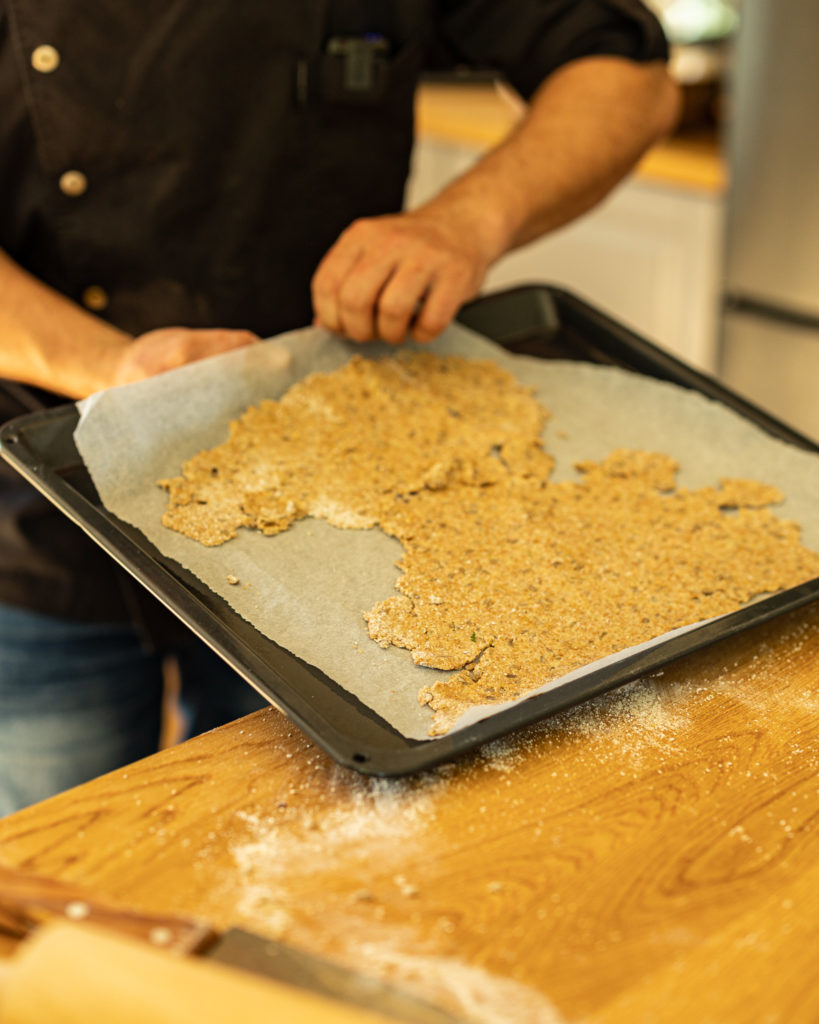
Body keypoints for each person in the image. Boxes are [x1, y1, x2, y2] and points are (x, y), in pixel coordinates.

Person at [0, 1, 679, 814]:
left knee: (304, 855)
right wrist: (107, 363)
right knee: (56, 868)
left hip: (358, 530)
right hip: (37, 507)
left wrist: (463, 220)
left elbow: (628, 79)